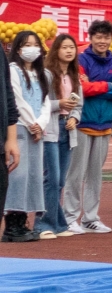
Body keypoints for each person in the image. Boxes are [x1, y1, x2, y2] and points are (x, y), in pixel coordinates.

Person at [63, 20, 112, 234]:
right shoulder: (81, 60)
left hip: (105, 125)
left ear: (111, 39)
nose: (102, 41)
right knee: (75, 174)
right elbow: (81, 88)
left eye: (106, 37)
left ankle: (90, 218)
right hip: (82, 124)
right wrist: (107, 85)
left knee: (95, 175)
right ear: (90, 38)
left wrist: (95, 87)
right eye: (98, 37)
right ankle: (70, 217)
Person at [4, 32, 51, 242]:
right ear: (17, 48)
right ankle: (12, 224)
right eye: (26, 45)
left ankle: (23, 221)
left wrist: (41, 123)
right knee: (18, 175)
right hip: (21, 128)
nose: (31, 49)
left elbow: (46, 101)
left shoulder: (42, 74)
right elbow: (16, 99)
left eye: (35, 44)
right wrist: (32, 123)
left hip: (36, 131)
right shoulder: (13, 70)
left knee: (33, 175)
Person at [36, 34, 82, 239]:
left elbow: (78, 104)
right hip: (50, 130)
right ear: (56, 50)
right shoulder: (46, 74)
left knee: (60, 180)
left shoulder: (74, 75)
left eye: (72, 47)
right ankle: (42, 224)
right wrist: (59, 104)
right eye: (64, 47)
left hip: (67, 130)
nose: (69, 51)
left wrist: (74, 118)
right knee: (52, 179)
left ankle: (59, 224)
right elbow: (39, 102)